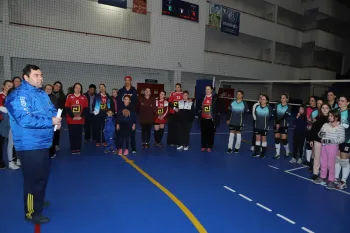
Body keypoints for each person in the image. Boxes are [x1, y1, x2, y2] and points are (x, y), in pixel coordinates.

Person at [5, 64, 61, 224]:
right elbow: (25, 119)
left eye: (41, 75)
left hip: (44, 143)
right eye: (36, 75)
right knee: (32, 181)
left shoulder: (42, 94)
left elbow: (51, 109)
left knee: (42, 177)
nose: (41, 78)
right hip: (30, 145)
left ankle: (39, 201)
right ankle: (31, 212)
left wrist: (56, 119)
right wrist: (50, 121)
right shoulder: (18, 96)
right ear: (26, 77)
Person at [314, 110, 345, 189]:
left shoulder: (340, 126)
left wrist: (330, 140)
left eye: (331, 116)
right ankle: (322, 177)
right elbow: (319, 134)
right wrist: (322, 135)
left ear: (336, 117)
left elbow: (341, 139)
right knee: (323, 161)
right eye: (329, 116)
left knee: (330, 163)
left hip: (333, 146)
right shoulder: (326, 125)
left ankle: (331, 180)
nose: (329, 117)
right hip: (324, 145)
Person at [65, 83, 88, 154]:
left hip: (80, 120)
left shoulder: (84, 97)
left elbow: (86, 108)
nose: (78, 89)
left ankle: (78, 148)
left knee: (79, 134)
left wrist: (81, 116)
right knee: (72, 134)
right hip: (71, 120)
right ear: (74, 88)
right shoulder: (69, 97)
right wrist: (73, 117)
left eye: (79, 88)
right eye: (76, 88)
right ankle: (73, 148)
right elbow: (67, 108)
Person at [309, 103, 330, 179]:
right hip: (317, 140)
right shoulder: (317, 118)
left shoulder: (331, 119)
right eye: (323, 108)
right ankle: (315, 173)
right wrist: (311, 139)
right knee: (317, 157)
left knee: (326, 157)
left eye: (326, 108)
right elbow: (313, 130)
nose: (325, 109)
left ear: (329, 109)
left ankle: (325, 172)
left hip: (328, 141)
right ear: (320, 109)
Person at [117, 76, 138, 153]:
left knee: (132, 133)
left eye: (128, 80)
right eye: (126, 80)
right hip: (122, 113)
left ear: (131, 81)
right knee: (121, 133)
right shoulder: (121, 91)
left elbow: (135, 103)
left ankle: (133, 148)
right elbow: (119, 103)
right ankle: (119, 148)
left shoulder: (134, 91)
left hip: (131, 114)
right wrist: (123, 110)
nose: (127, 81)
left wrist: (130, 112)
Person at [336, 95, 350, 190]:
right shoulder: (337, 111)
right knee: (337, 158)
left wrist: (340, 123)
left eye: (342, 101)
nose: (340, 102)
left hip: (347, 140)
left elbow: (347, 126)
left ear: (348, 103)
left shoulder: (349, 112)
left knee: (344, 160)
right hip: (337, 139)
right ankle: (336, 178)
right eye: (339, 100)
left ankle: (343, 181)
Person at [252, 94, 273, 158]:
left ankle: (263, 153)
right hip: (257, 126)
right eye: (261, 99)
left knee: (264, 140)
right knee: (257, 140)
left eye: (264, 99)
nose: (262, 100)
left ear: (267, 101)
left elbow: (270, 117)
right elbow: (255, 115)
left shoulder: (269, 108)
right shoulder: (257, 107)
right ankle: (257, 152)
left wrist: (266, 123)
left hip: (264, 127)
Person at [199, 85, 219, 152]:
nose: (207, 90)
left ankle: (210, 146)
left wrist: (215, 116)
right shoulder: (202, 97)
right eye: (206, 89)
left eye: (208, 89)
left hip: (211, 119)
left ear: (211, 90)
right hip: (203, 118)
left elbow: (217, 109)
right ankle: (203, 146)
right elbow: (199, 107)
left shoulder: (215, 98)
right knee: (203, 133)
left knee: (211, 133)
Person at [0, 80, 14, 169]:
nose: (10, 88)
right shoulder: (1, 96)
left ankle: (11, 160)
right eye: (8, 86)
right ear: (3, 86)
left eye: (11, 86)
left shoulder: (11, 97)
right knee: (1, 142)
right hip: (2, 122)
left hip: (10, 123)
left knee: (10, 142)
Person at [273, 94, 292, 159]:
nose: (282, 99)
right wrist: (277, 122)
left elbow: (285, 116)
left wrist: (278, 122)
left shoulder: (289, 106)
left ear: (286, 99)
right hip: (276, 124)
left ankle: (287, 151)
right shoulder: (276, 105)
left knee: (284, 139)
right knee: (277, 138)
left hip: (284, 124)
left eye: (284, 98)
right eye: (281, 98)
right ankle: (277, 153)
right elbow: (274, 114)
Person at [44, 84, 58, 158]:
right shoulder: (41, 97)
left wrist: (57, 119)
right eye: (47, 88)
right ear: (44, 89)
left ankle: (52, 152)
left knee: (52, 137)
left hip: (52, 120)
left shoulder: (54, 98)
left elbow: (55, 109)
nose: (49, 90)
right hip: (43, 121)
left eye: (50, 89)